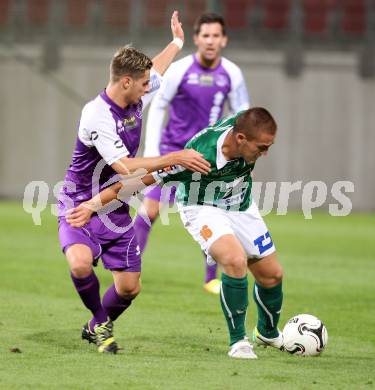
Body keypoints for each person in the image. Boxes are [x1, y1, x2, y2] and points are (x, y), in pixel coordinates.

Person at [67, 107, 284, 360]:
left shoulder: (243, 130)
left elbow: (248, 119)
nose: (265, 153)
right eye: (261, 147)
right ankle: (238, 342)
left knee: (272, 275)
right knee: (234, 260)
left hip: (241, 204)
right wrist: (92, 205)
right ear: (240, 139)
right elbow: (137, 182)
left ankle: (268, 333)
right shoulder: (199, 155)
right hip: (202, 208)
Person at [58, 11, 211, 354]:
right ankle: (101, 326)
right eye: (144, 83)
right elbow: (125, 166)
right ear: (126, 82)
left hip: (115, 202)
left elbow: (155, 70)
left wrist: (176, 43)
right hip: (80, 198)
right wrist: (173, 157)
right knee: (81, 263)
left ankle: (93, 325)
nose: (150, 87)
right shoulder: (96, 114)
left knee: (129, 288)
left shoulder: (134, 92)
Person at [133, 12, 250, 295]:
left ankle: (211, 277)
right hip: (173, 154)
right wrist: (152, 150)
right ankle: (130, 267)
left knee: (212, 212)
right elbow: (159, 105)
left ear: (224, 40)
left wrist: (238, 152)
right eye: (205, 35)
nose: (210, 41)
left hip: (207, 158)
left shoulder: (232, 74)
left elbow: (242, 114)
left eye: (215, 36)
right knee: (150, 210)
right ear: (197, 39)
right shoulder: (180, 69)